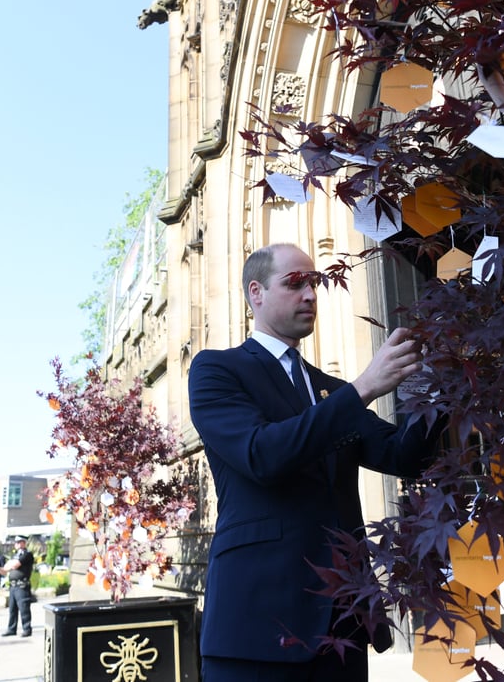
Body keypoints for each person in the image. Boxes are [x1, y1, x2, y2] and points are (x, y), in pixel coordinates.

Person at [188, 243, 442, 681]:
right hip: (256, 625)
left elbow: (403, 455)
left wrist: (438, 385)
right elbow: (261, 455)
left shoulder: (330, 389)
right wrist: (364, 387)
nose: (310, 294)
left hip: (341, 622)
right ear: (256, 292)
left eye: (314, 283)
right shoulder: (216, 370)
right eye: (295, 283)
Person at [0, 536, 34, 637]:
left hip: (22, 585)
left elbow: (15, 565)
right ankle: (11, 628)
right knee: (12, 609)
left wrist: (11, 564)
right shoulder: (15, 555)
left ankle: (27, 628)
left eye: (20, 542)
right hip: (13, 586)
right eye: (16, 542)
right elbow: (6, 567)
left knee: (24, 608)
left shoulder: (27, 554)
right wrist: (10, 564)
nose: (17, 544)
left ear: (24, 543)